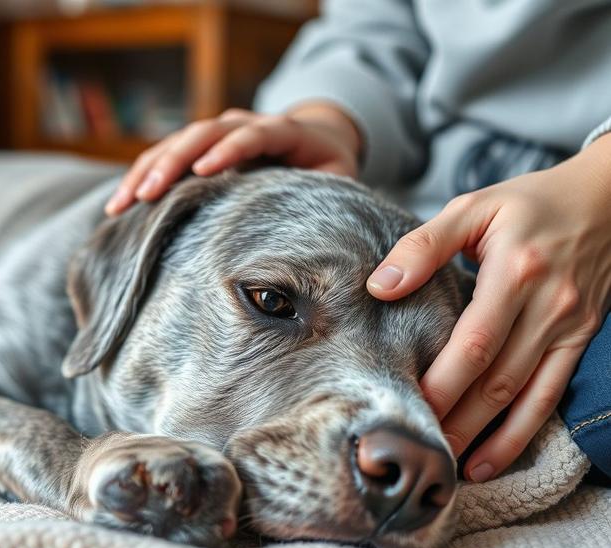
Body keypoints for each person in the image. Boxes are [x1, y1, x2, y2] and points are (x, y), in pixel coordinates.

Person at [104, 0, 611, 483]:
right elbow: (373, 26)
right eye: (272, 302)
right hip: (411, 204)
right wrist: (329, 120)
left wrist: (598, 189)